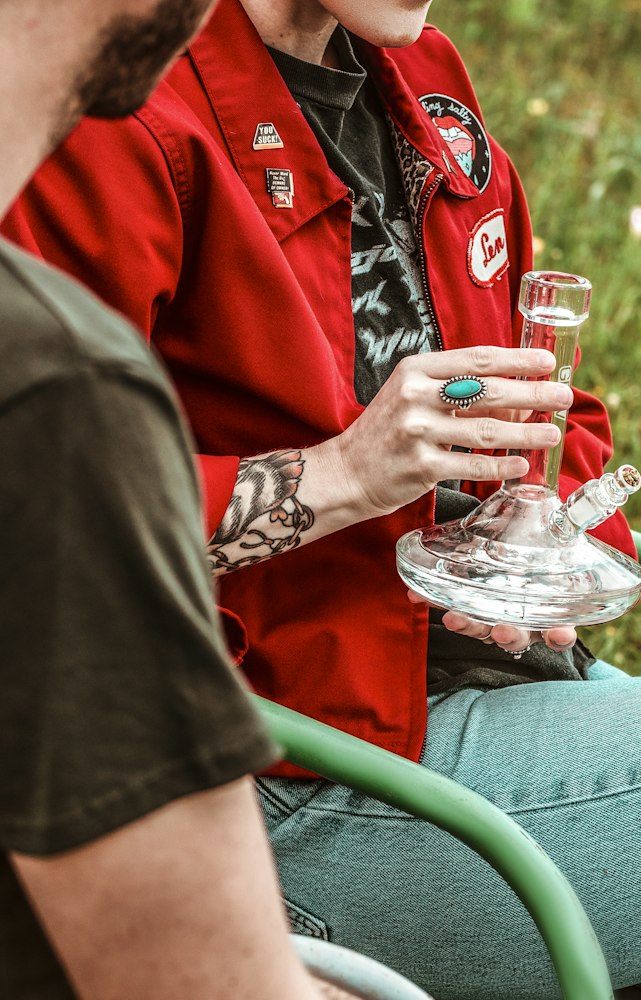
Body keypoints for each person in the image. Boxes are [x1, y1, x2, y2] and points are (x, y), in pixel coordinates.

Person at [5, 1, 641, 999]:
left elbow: (549, 409)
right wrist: (345, 472)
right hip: (294, 787)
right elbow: (54, 524)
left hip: (511, 706)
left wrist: (551, 549)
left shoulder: (420, 81)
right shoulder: (117, 114)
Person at [0, 2, 442, 998]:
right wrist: (346, 476)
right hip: (314, 745)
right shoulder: (55, 387)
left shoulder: (419, 83)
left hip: (460, 670)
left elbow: (546, 385)